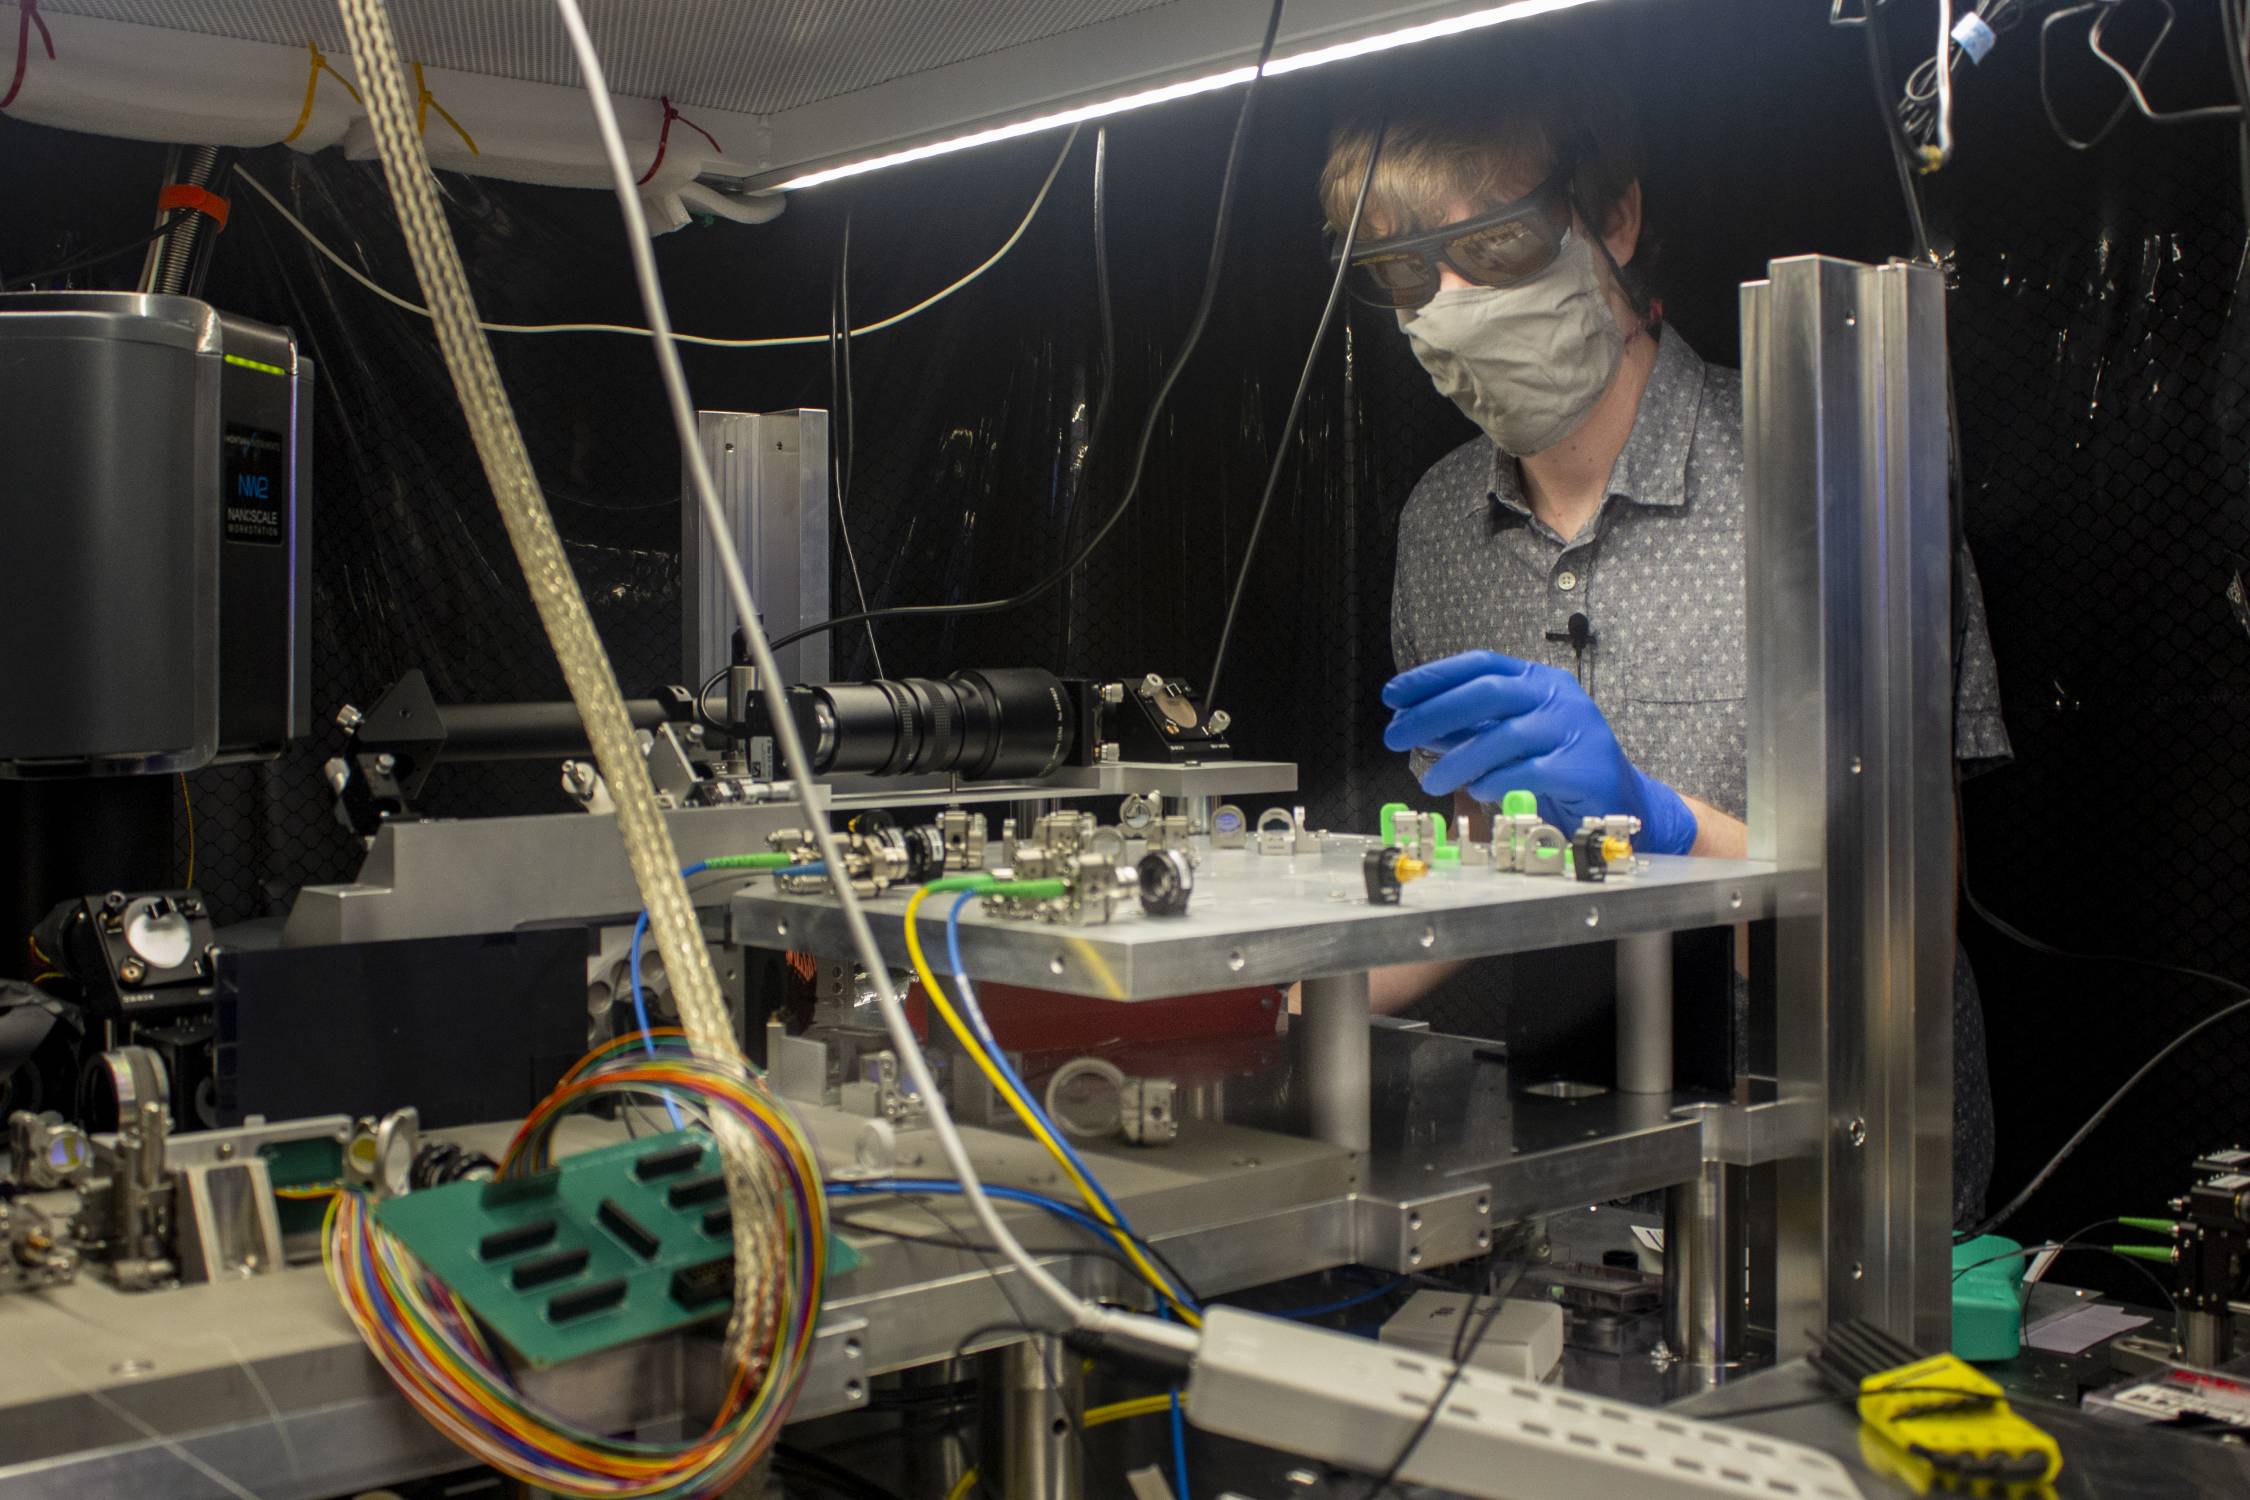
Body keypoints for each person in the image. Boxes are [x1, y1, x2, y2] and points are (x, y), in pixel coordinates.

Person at [1318, 41, 2011, 1225]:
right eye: (1402, 275)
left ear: (1616, 217)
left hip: (1834, 1185)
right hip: (1573, 1159)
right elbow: (1487, 848)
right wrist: (1261, 999)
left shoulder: (1828, 472)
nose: (1453, 308)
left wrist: (1668, 825)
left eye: (1492, 248)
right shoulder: (1439, 523)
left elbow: (1900, 938)